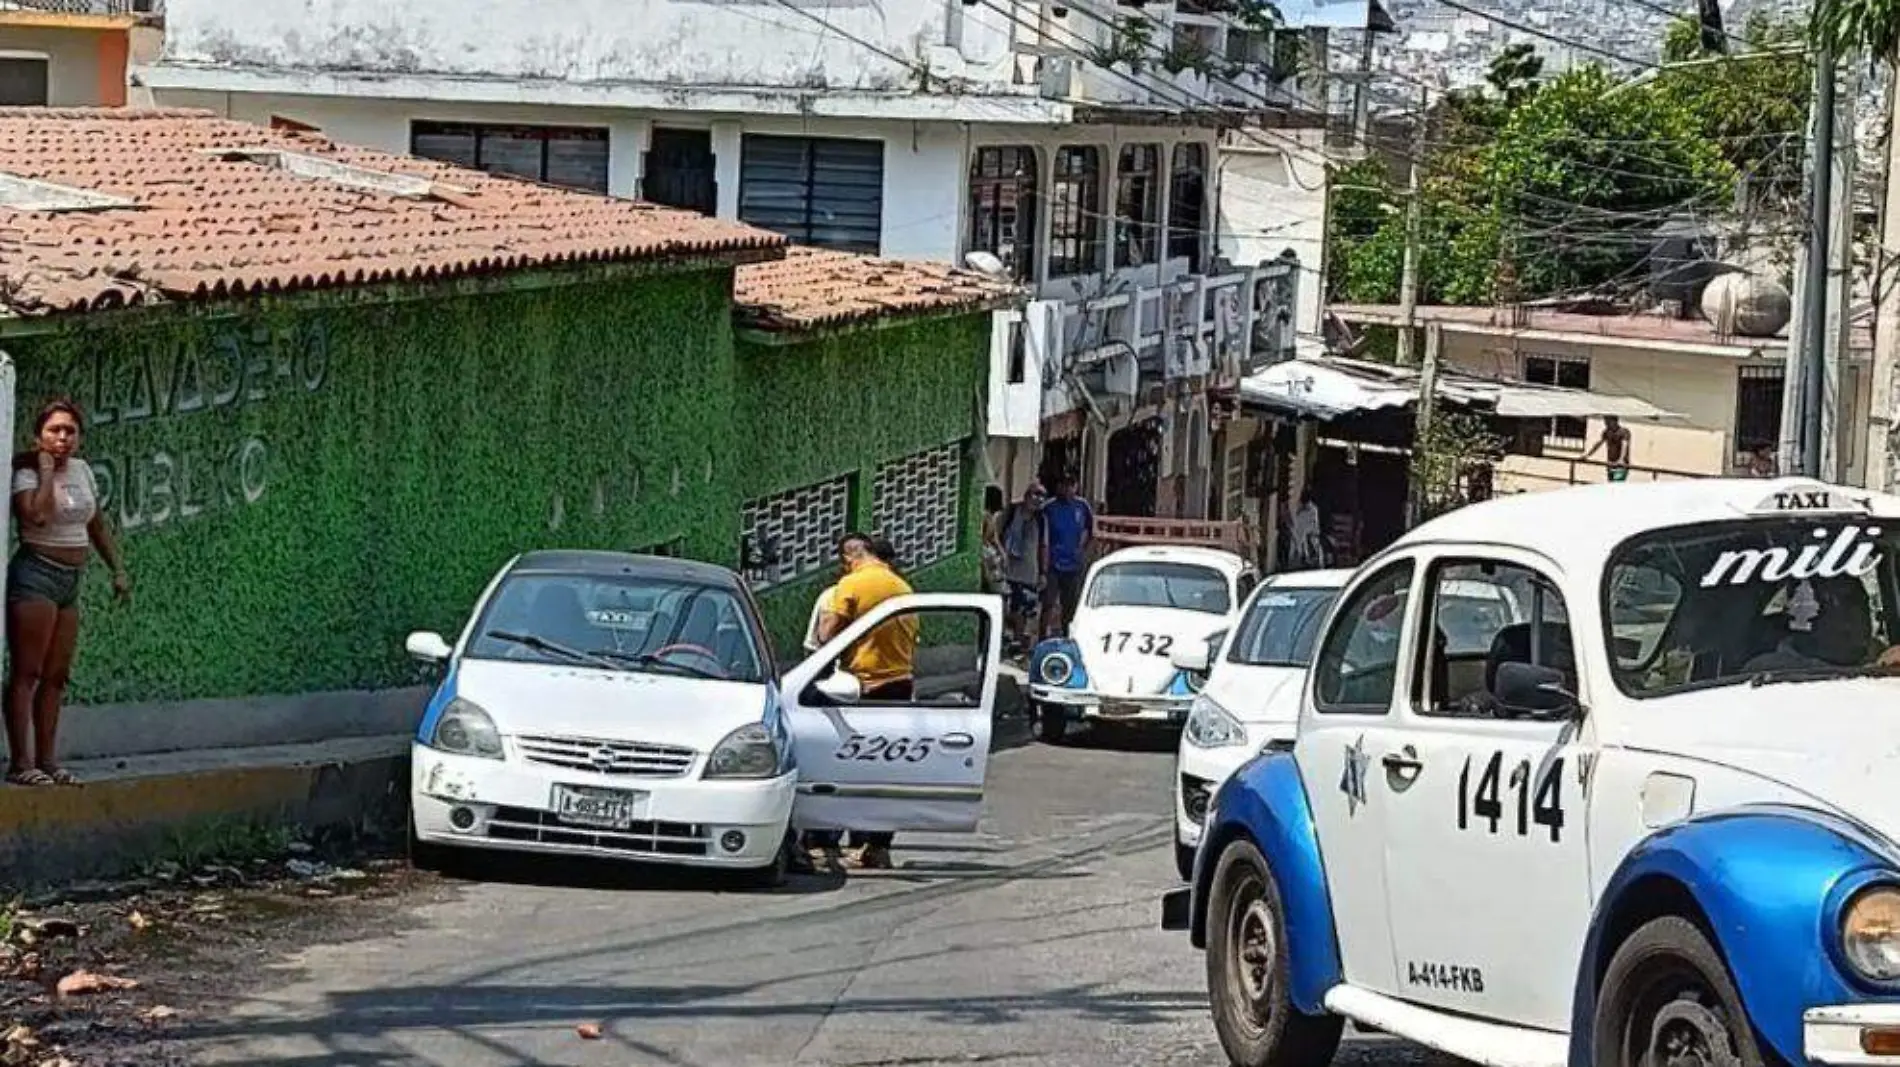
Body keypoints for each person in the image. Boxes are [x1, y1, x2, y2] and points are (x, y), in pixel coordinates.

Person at [6, 398, 129, 787]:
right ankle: (21, 763)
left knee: (57, 676)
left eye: (69, 431)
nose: (62, 438)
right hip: (36, 576)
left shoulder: (82, 470)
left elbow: (95, 524)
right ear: (38, 437)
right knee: (28, 671)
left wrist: (118, 569)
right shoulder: (26, 474)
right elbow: (36, 516)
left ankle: (48, 760)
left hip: (70, 581)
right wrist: (45, 472)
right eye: (54, 431)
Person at [803, 532, 918, 872]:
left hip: (859, 688)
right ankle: (877, 846)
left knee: (838, 765)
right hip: (899, 686)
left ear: (849, 557)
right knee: (883, 772)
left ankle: (822, 843)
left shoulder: (850, 586)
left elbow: (825, 637)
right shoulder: (902, 588)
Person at [1040, 474, 1093, 638]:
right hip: (1052, 563)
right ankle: (1043, 636)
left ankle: (1067, 635)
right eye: (1064, 485)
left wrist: (1081, 550)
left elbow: (1089, 530)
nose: (1068, 489)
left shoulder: (1082, 506)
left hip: (1074, 563)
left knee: (1070, 604)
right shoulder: (1048, 508)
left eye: (1071, 485)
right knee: (1048, 602)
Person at [998, 483, 1049, 655]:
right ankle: (1004, 642)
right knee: (1006, 608)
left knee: (1025, 611)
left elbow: (1044, 546)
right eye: (1035, 494)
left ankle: (1020, 645)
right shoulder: (1012, 512)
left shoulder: (1041, 519)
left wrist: (1043, 572)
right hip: (1007, 570)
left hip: (1029, 572)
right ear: (1027, 495)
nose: (1038, 499)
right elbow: (997, 535)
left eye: (1042, 496)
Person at [1587, 416, 1632, 482]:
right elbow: (1598, 444)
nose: (1606, 424)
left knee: (1617, 484)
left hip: (1621, 465)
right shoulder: (1606, 432)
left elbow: (1624, 446)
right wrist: (1588, 455)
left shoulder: (1624, 432)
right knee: (1611, 484)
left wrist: (1621, 459)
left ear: (1614, 421)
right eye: (1605, 422)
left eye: (1608, 422)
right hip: (1610, 463)